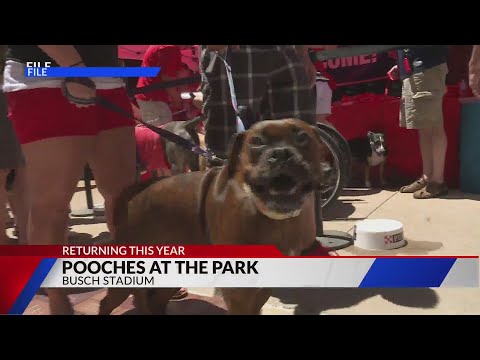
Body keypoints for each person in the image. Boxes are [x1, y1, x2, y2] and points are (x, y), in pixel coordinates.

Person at [3, 45, 137, 314]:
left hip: (106, 76)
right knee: (52, 205)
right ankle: (58, 300)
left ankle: (132, 284)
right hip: (45, 76)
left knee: (125, 198)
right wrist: (74, 67)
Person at [200, 45, 317, 161]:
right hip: (236, 51)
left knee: (299, 144)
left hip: (286, 51)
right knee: (229, 152)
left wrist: (303, 53)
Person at [388, 46, 449, 199]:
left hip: (428, 67)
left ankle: (438, 181)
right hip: (414, 69)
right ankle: (427, 177)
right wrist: (402, 64)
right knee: (423, 126)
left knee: (434, 126)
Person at [135, 45, 192, 126]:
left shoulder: (164, 47)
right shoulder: (170, 49)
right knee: (164, 131)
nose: (187, 48)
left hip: (149, 95)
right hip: (154, 97)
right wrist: (176, 99)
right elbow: (167, 78)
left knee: (160, 129)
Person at [308, 45, 338, 127]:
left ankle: (335, 139)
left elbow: (332, 49)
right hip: (303, 81)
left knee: (319, 122)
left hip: (318, 83)